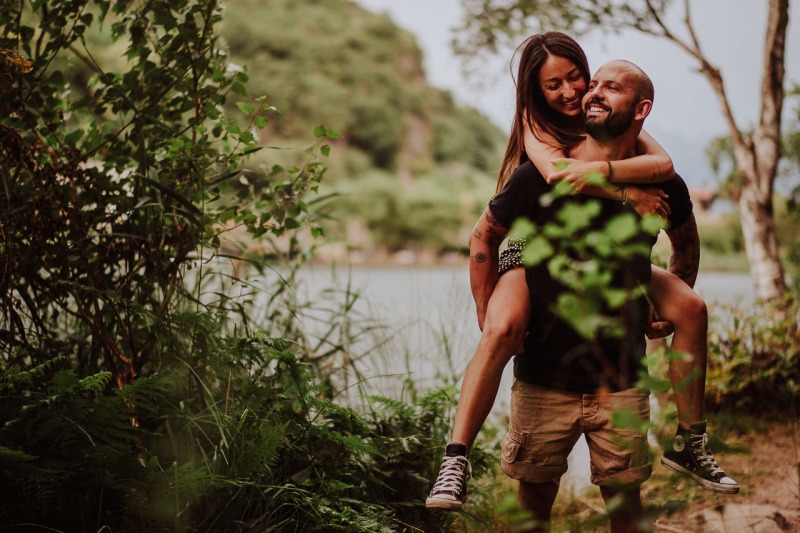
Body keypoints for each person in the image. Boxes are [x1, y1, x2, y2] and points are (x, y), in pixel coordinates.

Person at [426, 33, 738, 513]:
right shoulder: (543, 144)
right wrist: (625, 195)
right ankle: (455, 458)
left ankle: (690, 441)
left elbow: (672, 198)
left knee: (691, 308)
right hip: (526, 255)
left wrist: (658, 310)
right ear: (538, 92)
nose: (576, 91)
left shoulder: (654, 168)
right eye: (558, 84)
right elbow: (545, 186)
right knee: (502, 329)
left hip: (620, 361)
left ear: (638, 108)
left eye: (581, 78)